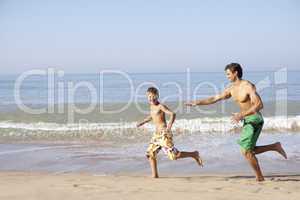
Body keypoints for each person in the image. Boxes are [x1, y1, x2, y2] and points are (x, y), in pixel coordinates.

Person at [186, 63, 287, 182]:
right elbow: (215, 98)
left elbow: (259, 105)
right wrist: (197, 102)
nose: (227, 76)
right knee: (249, 150)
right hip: (247, 119)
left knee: (245, 151)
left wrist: (241, 114)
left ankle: (260, 177)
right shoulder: (231, 88)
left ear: (236, 73)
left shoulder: (248, 86)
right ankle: (275, 146)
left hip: (255, 119)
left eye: (228, 74)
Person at [137, 87, 203, 178]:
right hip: (156, 135)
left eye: (153, 96)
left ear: (157, 96)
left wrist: (169, 127)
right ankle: (155, 175)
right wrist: (143, 122)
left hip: (164, 134)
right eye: (149, 96)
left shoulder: (161, 106)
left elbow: (172, 114)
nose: (151, 98)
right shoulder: (151, 106)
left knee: (174, 156)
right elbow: (152, 116)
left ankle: (194, 154)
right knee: (150, 154)